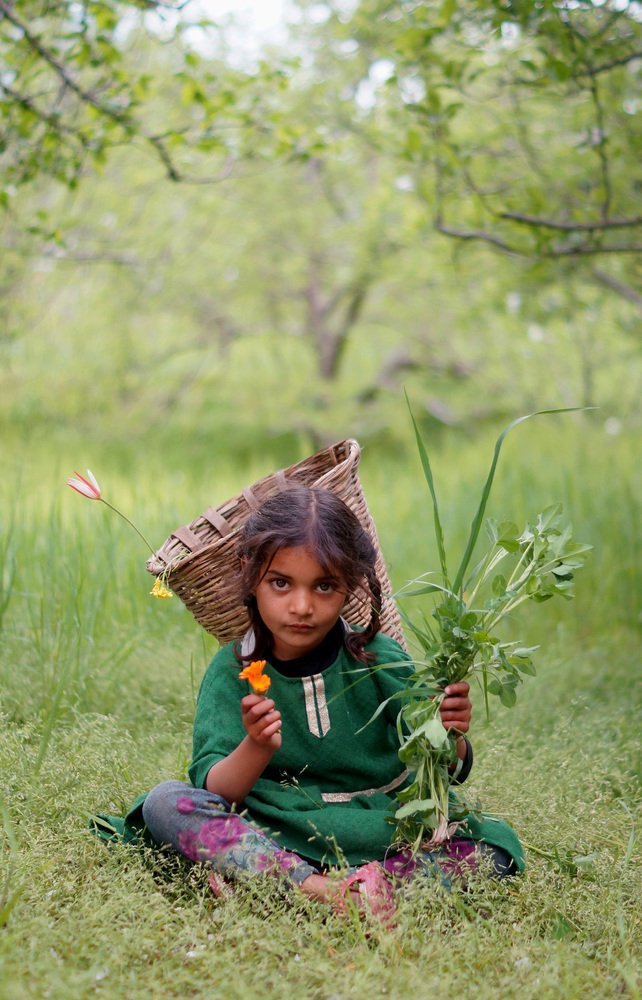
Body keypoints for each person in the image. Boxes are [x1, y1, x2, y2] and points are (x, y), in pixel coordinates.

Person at [137, 486, 523, 916]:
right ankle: (325, 890)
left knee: (496, 852)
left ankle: (292, 885)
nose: (301, 606)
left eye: (324, 586)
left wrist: (450, 733)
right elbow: (218, 791)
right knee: (166, 803)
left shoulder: (378, 657)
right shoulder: (233, 670)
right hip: (279, 827)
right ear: (249, 573)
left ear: (350, 585)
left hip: (383, 827)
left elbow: (446, 767)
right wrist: (258, 746)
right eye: (280, 583)